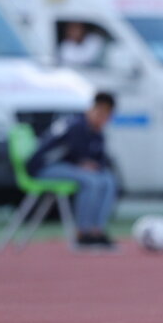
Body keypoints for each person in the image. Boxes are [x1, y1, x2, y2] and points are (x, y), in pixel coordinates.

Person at [27, 92, 119, 250]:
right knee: (90, 181)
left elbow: (99, 161)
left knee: (109, 180)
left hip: (69, 169)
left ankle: (97, 231)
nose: (103, 119)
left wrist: (91, 165)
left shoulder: (97, 132)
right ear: (93, 109)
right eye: (101, 113)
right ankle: (83, 233)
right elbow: (60, 155)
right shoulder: (75, 125)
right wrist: (81, 164)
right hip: (45, 168)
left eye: (107, 115)